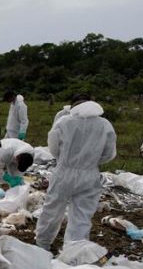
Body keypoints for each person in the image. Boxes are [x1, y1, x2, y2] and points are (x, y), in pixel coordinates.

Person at [35, 97, 116, 250]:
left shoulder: (64, 122)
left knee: (52, 209)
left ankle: (42, 244)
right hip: (90, 174)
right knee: (82, 215)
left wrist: (65, 159)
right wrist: (91, 162)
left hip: (64, 171)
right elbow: (109, 154)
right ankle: (74, 250)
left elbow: (53, 148)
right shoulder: (105, 125)